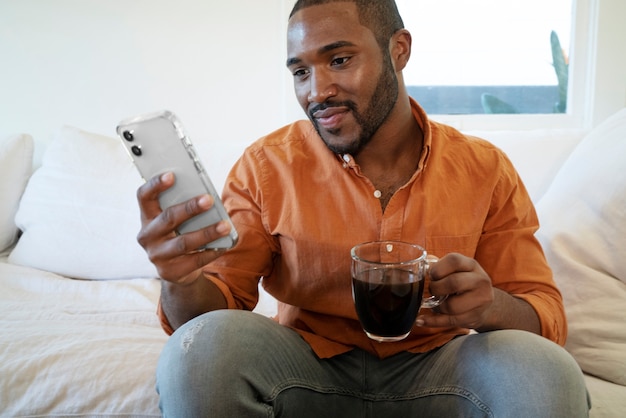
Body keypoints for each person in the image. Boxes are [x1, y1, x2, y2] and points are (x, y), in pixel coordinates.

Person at [139, 0, 590, 416]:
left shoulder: (484, 169)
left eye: (339, 60)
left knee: (545, 370)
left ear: (399, 49)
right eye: (300, 71)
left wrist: (488, 306)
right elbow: (206, 318)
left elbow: (543, 314)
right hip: (303, 370)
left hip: (439, 374)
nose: (318, 92)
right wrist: (179, 279)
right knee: (199, 351)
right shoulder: (266, 166)